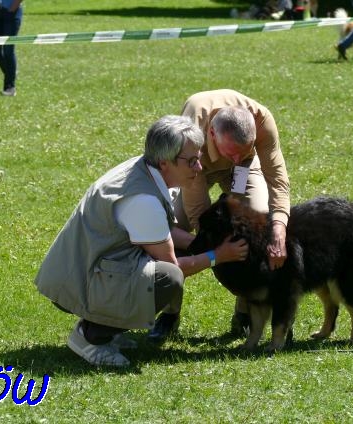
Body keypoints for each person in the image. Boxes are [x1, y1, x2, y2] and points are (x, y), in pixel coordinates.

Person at [34, 115, 249, 367]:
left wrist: (197, 243)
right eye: (191, 161)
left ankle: (109, 328)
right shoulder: (143, 200)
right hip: (78, 281)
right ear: (164, 162)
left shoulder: (143, 170)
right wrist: (218, 255)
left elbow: (163, 234)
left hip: (80, 269)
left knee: (168, 261)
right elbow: (174, 266)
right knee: (166, 278)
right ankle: (91, 337)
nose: (199, 168)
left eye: (198, 158)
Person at [178, 89, 291, 335]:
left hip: (243, 172)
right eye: (231, 151)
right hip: (195, 170)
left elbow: (278, 181)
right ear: (211, 133)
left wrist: (279, 227)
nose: (236, 157)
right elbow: (195, 201)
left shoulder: (262, 121)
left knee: (258, 220)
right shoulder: (193, 124)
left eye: (244, 149)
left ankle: (245, 311)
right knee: (174, 224)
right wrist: (212, 249)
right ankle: (169, 313)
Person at [0, 0, 23, 96]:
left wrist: (12, 9)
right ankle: (11, 72)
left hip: (12, 12)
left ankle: (10, 87)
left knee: (8, 50)